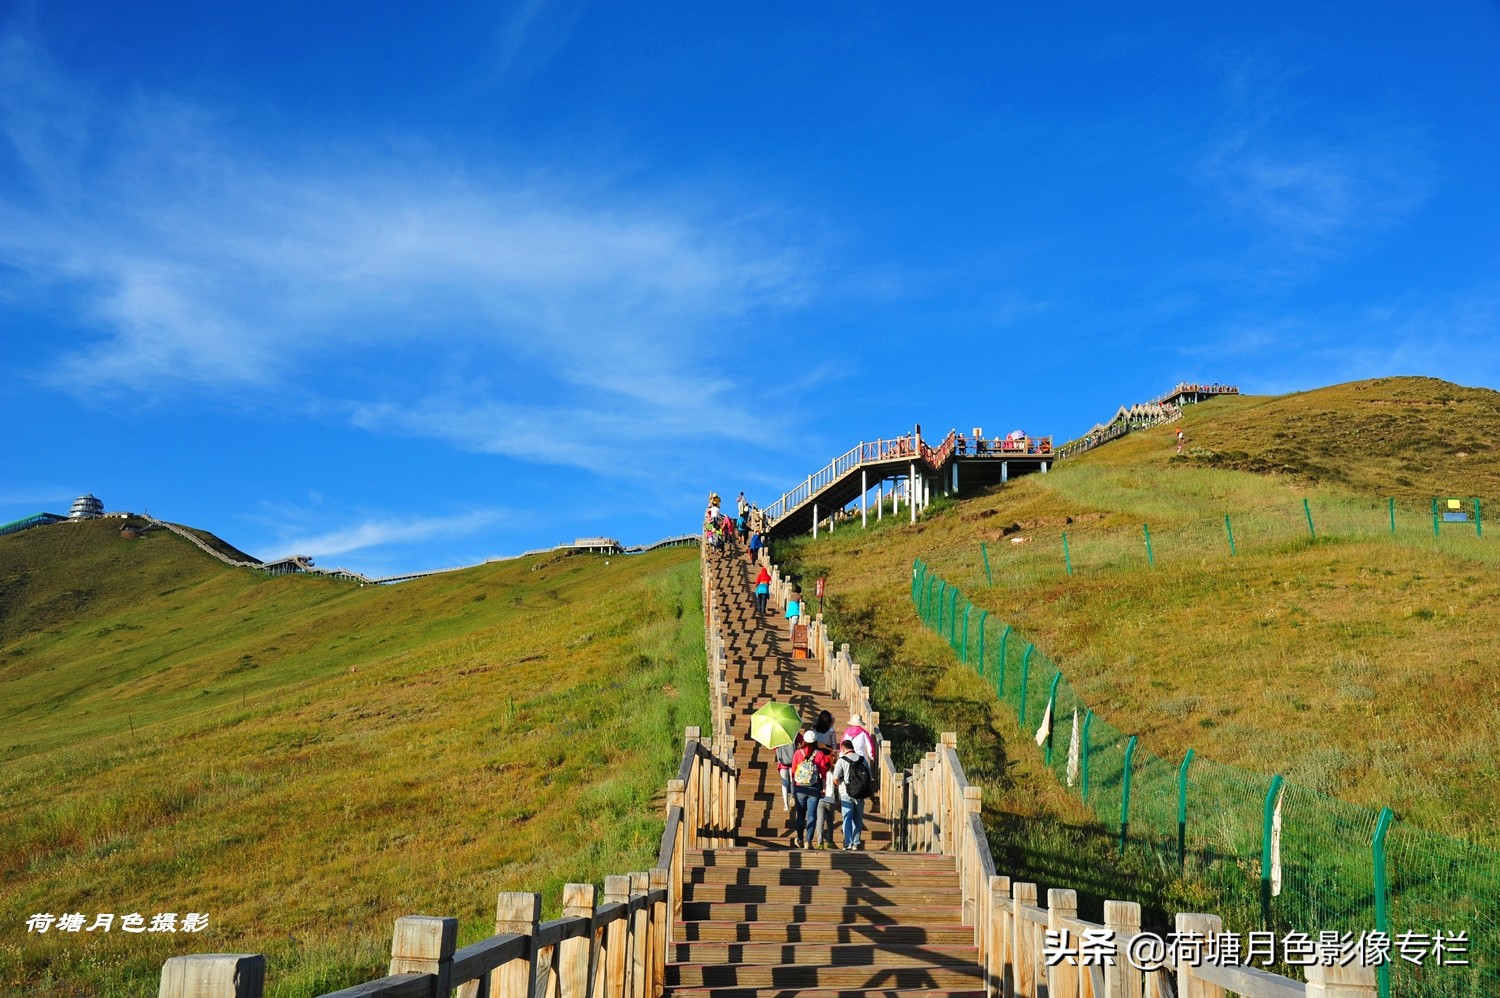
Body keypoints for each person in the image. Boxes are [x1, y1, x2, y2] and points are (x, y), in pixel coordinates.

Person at [788, 731, 830, 848]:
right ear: (815, 741)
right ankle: (809, 841)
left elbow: (792, 773)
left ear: (804, 741)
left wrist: (792, 790)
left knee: (800, 815)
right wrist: (824, 788)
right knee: (812, 815)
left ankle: (800, 839)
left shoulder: (797, 753)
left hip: (800, 787)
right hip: (814, 788)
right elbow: (823, 774)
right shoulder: (819, 754)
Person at [831, 739, 869, 850]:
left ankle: (848, 842)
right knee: (858, 819)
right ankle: (856, 843)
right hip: (860, 793)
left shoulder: (841, 761)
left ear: (843, 748)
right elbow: (868, 775)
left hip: (846, 793)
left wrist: (839, 785)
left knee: (847, 818)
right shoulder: (862, 759)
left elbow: (836, 778)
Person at [774, 733, 798, 813]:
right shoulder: (794, 733)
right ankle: (792, 795)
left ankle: (786, 805)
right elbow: (801, 741)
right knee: (792, 780)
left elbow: (774, 748)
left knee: (784, 783)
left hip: (782, 762)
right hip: (793, 760)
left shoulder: (776, 735)